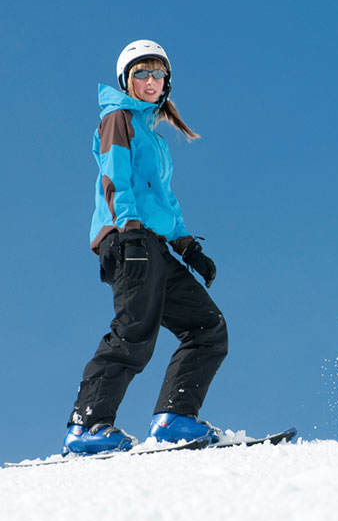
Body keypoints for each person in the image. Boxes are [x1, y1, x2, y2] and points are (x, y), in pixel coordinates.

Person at [62, 40, 228, 456]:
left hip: (152, 243)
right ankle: (87, 427)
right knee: (134, 332)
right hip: (128, 240)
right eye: (142, 73)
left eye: (158, 74)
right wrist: (129, 230)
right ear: (126, 80)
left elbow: (163, 201)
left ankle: (174, 419)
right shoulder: (118, 119)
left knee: (207, 328)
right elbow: (115, 178)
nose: (151, 81)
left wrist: (188, 246)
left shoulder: (153, 136)